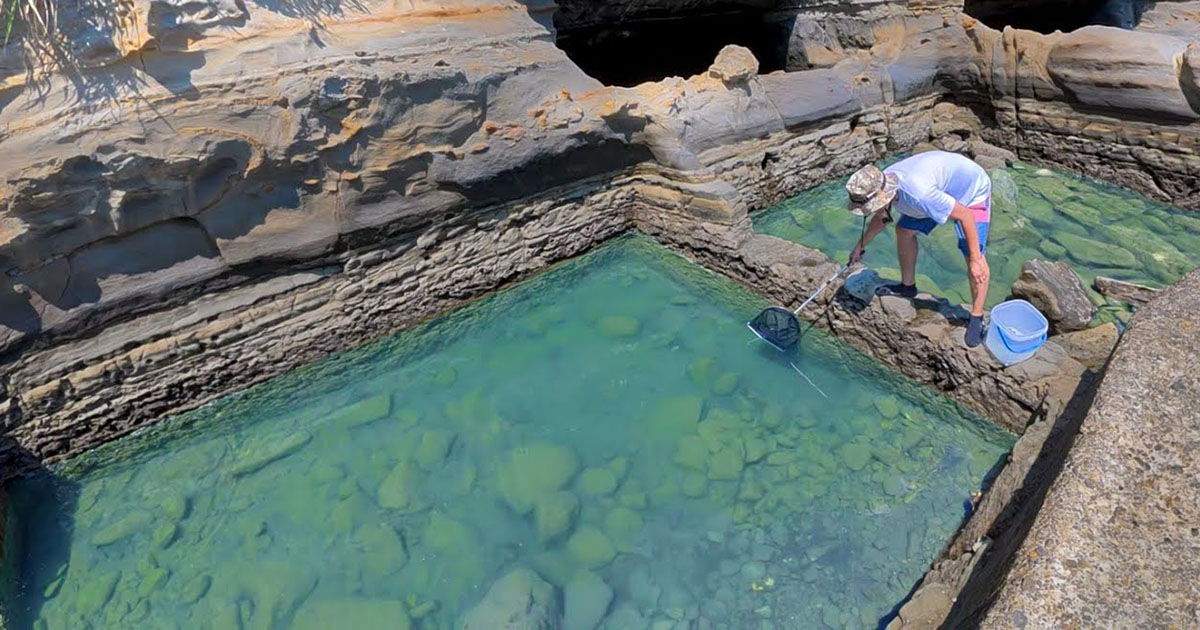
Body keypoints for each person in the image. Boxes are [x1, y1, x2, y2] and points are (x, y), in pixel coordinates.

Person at [844, 151, 992, 347]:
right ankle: (908, 287)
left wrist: (974, 258)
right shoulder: (883, 181)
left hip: (972, 193)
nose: (871, 210)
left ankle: (977, 316)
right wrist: (860, 246)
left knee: (973, 255)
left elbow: (965, 215)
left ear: (885, 196)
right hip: (939, 189)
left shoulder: (920, 194)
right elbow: (881, 218)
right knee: (903, 230)